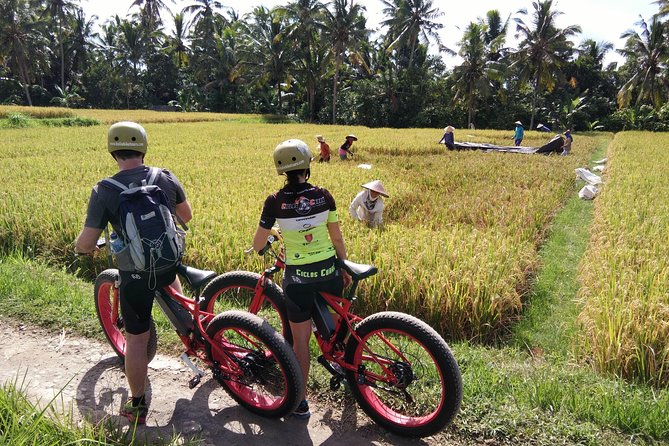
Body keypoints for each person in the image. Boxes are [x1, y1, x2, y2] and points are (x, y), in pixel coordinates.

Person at [74, 121, 192, 425]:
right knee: (173, 288)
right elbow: (187, 215)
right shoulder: (163, 176)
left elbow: (87, 242)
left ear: (113, 151)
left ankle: (137, 405)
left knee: (136, 340)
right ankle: (192, 337)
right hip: (169, 260)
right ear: (143, 146)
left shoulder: (104, 190)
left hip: (135, 275)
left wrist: (82, 248)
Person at [253, 139, 352, 419]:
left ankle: (300, 401)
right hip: (329, 273)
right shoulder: (324, 195)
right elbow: (336, 237)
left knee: (301, 343)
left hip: (298, 281)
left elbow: (259, 242)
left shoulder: (274, 201)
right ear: (307, 165)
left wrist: (266, 241)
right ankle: (343, 363)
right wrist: (343, 265)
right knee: (333, 333)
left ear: (281, 169)